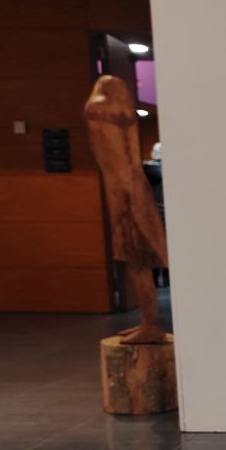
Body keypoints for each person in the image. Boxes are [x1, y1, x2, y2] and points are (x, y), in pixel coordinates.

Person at [84, 76, 169, 344]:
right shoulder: (124, 116)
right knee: (138, 264)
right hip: (131, 194)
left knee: (138, 263)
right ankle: (148, 321)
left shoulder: (99, 109)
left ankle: (151, 324)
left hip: (127, 197)